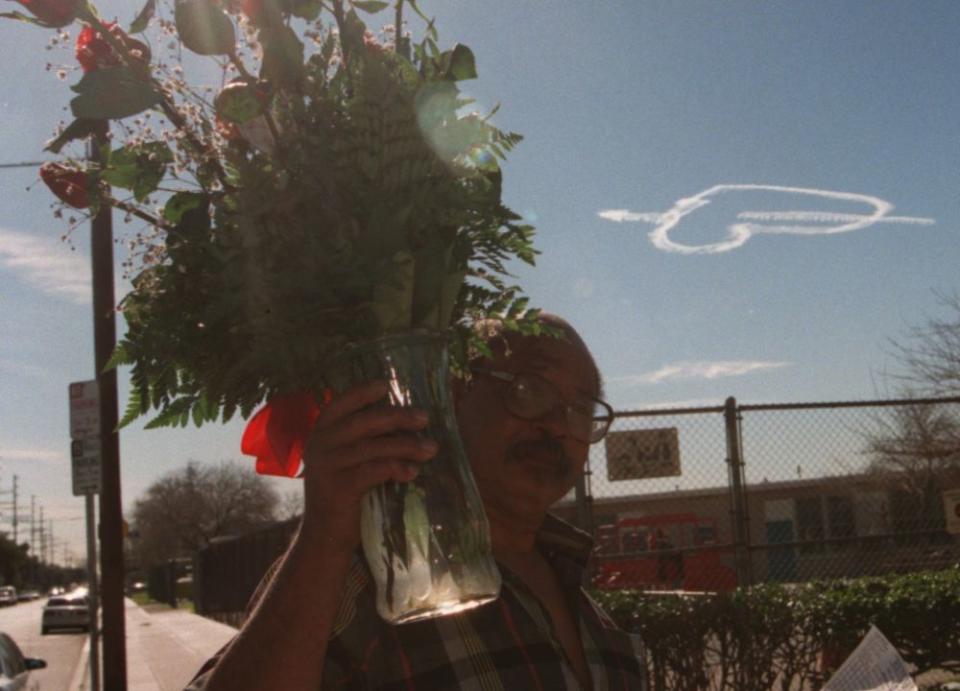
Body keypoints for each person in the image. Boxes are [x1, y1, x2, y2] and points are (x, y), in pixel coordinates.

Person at [188, 314, 647, 690]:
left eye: (582, 408)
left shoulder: (593, 614)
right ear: (454, 392)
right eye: (530, 390)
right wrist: (323, 535)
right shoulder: (367, 573)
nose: (557, 425)